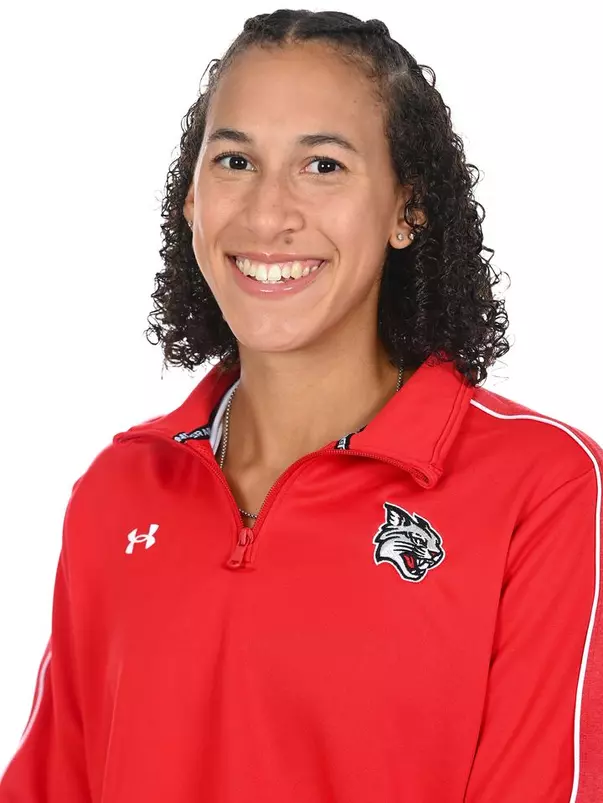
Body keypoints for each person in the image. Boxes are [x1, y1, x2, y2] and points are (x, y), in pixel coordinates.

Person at [1, 8, 601, 803]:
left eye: (322, 166)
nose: (266, 215)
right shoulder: (118, 490)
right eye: (235, 160)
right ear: (190, 202)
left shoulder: (542, 488)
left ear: (405, 210)